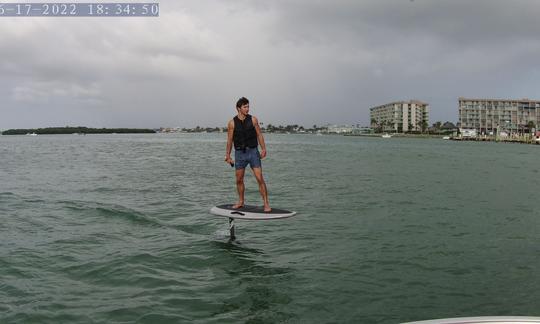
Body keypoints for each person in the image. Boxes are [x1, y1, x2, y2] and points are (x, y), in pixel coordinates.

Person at [224, 97, 271, 212]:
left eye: (248, 106)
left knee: (260, 178)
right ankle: (241, 201)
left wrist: (264, 149)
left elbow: (259, 134)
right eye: (245, 107)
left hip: (253, 152)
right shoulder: (232, 123)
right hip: (240, 154)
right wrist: (228, 155)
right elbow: (230, 140)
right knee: (239, 180)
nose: (247, 109)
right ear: (238, 108)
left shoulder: (253, 120)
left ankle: (266, 203)